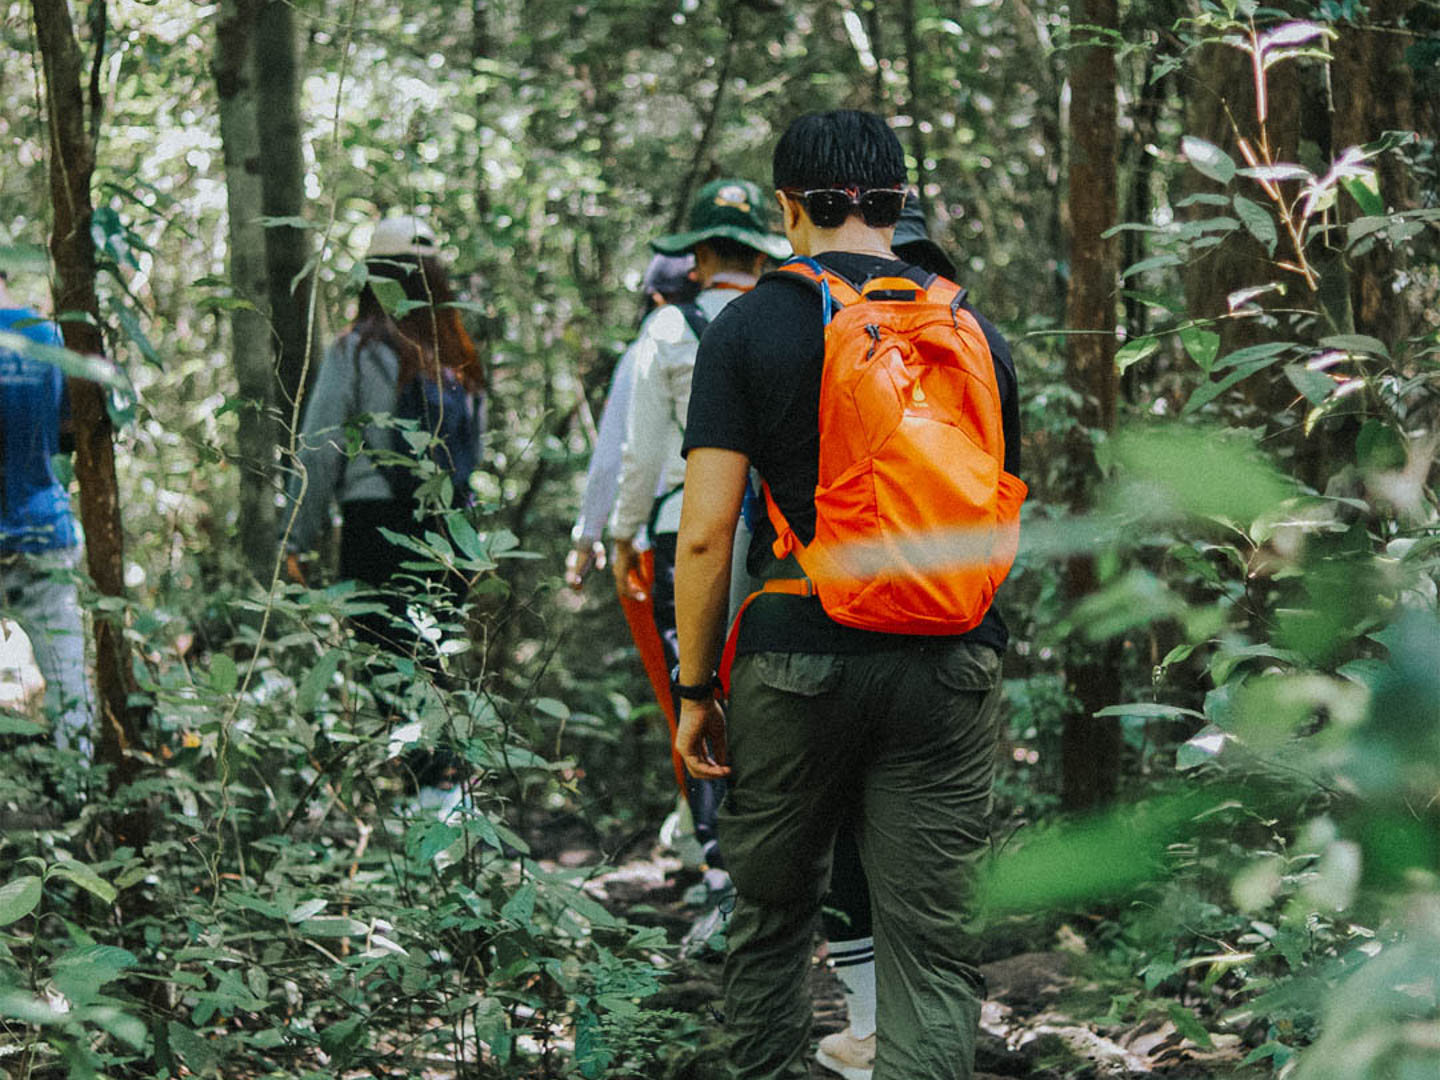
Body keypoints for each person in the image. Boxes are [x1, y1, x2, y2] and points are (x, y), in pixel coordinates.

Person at [673, 110, 1022, 1079]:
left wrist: (697, 691)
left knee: (774, 916)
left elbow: (704, 533)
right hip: (951, 659)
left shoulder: (750, 324)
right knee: (932, 947)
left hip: (798, 658)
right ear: (901, 204)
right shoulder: (972, 333)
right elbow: (1000, 513)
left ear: (788, 207)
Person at [608, 178, 789, 872]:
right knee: (765, 690)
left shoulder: (668, 329)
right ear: (758, 254)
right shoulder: (792, 318)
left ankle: (721, 869)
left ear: (700, 257)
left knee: (698, 686)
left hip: (685, 529)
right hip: (779, 535)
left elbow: (642, 453)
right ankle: (772, 859)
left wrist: (622, 534)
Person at [282, 215, 485, 653]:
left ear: (373, 278)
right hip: (451, 531)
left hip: (373, 523)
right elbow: (475, 452)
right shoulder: (460, 359)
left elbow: (319, 448)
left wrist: (294, 537)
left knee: (383, 670)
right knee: (433, 666)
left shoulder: (355, 349)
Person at [0, 268, 94, 759]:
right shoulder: (47, 337)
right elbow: (69, 436)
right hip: (42, 527)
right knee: (66, 676)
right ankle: (80, 789)